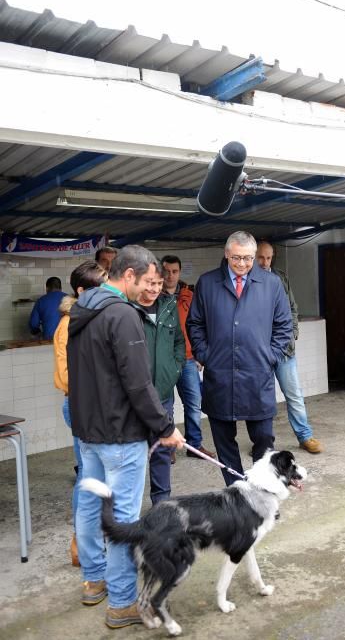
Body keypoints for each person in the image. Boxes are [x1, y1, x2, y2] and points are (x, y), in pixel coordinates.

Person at [67, 245, 185, 629]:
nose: (149, 289)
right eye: (147, 281)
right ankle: (120, 603)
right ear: (128, 275)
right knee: (122, 519)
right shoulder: (122, 315)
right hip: (120, 435)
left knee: (90, 507)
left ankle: (94, 580)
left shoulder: (83, 310)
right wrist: (165, 427)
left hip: (88, 432)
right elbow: (138, 382)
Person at [186, 231, 292, 486]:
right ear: (226, 254)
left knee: (264, 440)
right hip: (219, 376)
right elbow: (195, 323)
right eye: (236, 258)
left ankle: (261, 492)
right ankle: (238, 493)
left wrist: (270, 356)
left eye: (247, 259)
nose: (242, 264)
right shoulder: (208, 283)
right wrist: (205, 354)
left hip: (258, 375)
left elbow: (284, 326)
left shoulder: (271, 284)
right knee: (225, 444)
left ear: (254, 257)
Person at [53, 260, 108, 566]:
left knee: (94, 474)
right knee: (88, 475)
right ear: (81, 290)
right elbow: (68, 376)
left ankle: (91, 540)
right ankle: (80, 545)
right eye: (100, 286)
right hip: (80, 405)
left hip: (92, 405)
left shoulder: (88, 317)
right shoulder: (69, 324)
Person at [256, 241, 322, 454]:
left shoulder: (280, 278)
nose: (265, 262)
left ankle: (305, 437)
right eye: (261, 257)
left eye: (268, 257)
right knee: (262, 401)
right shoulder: (248, 281)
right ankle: (263, 443)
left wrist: (292, 333)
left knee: (294, 395)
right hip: (261, 353)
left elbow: (293, 308)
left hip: (284, 350)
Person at [135, 258, 186, 504]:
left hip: (162, 393)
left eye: (158, 283)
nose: (155, 288)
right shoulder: (127, 308)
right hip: (133, 397)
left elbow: (178, 340)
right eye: (149, 283)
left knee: (162, 451)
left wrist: (174, 368)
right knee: (133, 454)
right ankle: (128, 509)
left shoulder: (168, 305)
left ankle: (161, 502)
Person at [162, 254, 216, 460]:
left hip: (188, 359)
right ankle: (168, 448)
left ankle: (194, 445)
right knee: (165, 406)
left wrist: (200, 354)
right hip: (165, 362)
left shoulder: (189, 296)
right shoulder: (154, 297)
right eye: (166, 271)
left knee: (193, 403)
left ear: (179, 272)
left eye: (174, 271)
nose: (170, 275)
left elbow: (200, 326)